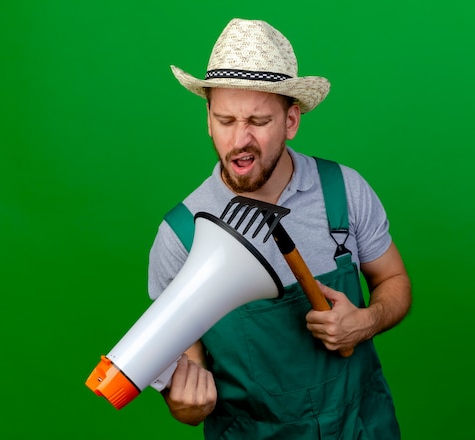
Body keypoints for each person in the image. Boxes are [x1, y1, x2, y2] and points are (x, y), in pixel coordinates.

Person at [148, 18, 412, 439]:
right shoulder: (182, 235)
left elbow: (394, 281)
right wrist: (183, 405)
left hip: (360, 427)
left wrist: (367, 321)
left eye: (258, 120)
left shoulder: (343, 191)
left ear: (291, 121)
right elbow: (187, 369)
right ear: (208, 119)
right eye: (226, 120)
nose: (240, 140)